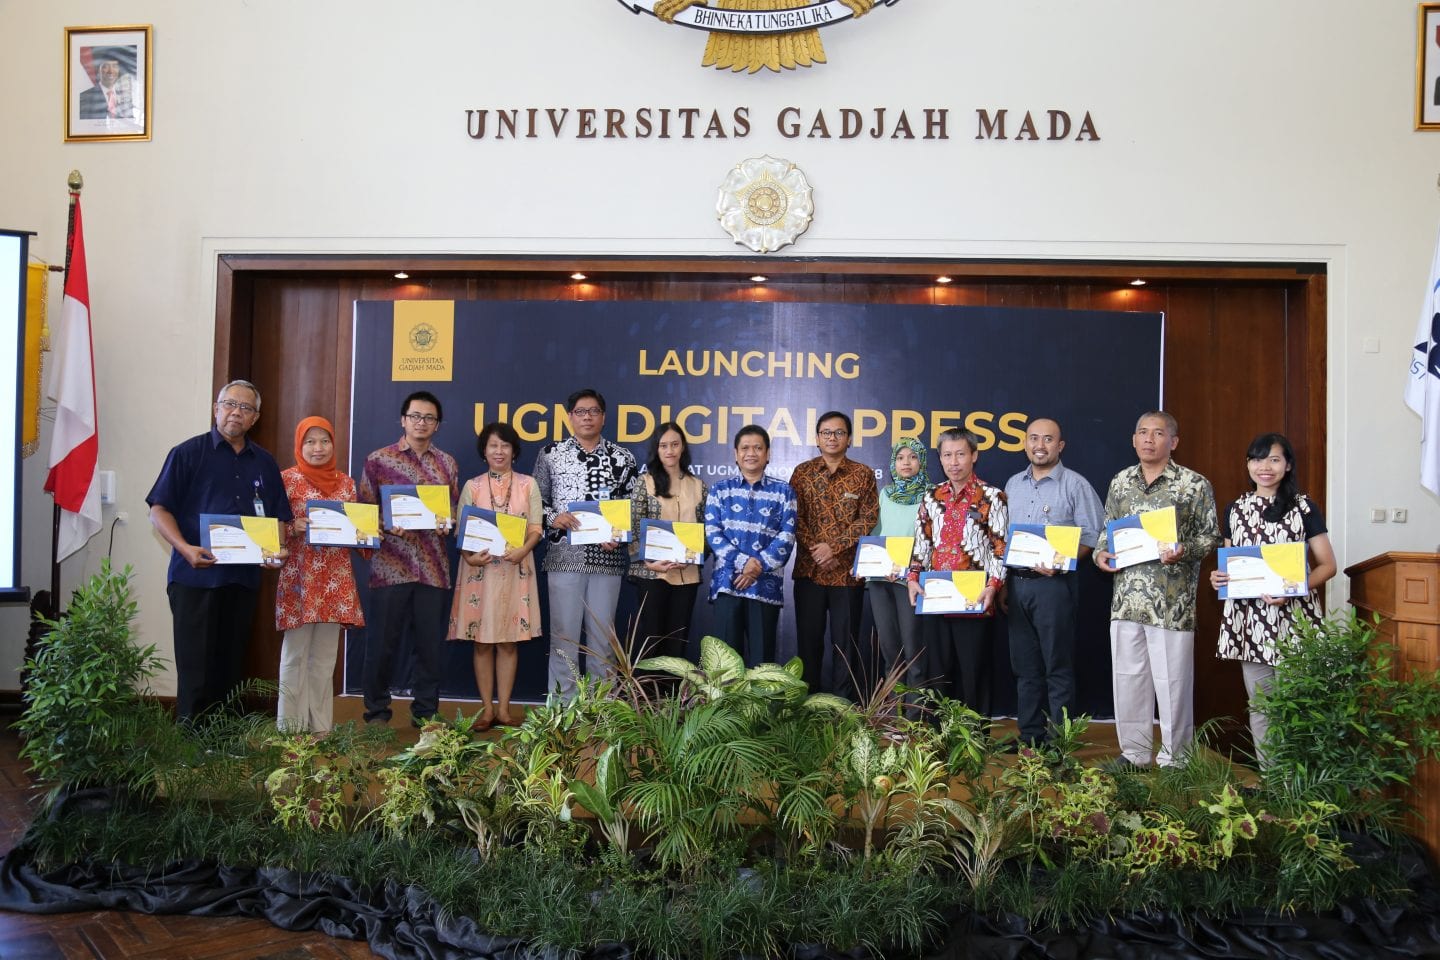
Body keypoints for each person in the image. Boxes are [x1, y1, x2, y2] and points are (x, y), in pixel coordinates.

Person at [146, 380, 291, 722]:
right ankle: (190, 743)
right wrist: (184, 548)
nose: (236, 413)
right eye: (229, 404)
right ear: (216, 409)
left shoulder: (265, 463)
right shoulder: (187, 453)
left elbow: (278, 518)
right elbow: (159, 510)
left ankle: (223, 742)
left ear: (255, 418)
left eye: (246, 408)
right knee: (195, 671)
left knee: (230, 669)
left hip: (242, 581)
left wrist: (278, 550)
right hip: (194, 578)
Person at [1094, 411, 1220, 768]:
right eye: (1143, 432)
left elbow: (1211, 536)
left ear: (1173, 442)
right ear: (1133, 439)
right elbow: (1107, 529)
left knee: (1172, 683)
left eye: (1158, 433)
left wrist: (1184, 549)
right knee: (1128, 680)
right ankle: (1134, 754)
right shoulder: (1121, 482)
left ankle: (1176, 758)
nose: (1149, 439)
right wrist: (1101, 554)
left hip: (1171, 603)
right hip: (1126, 600)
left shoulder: (1193, 484)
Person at [1209, 433, 1335, 768]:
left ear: (1288, 465)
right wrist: (1218, 578)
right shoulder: (1234, 509)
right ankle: (1272, 781)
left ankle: (1299, 783)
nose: (1264, 467)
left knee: (1296, 705)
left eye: (1274, 459)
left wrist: (1292, 589)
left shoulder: (1304, 507)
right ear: (1248, 464)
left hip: (1294, 620)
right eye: (1257, 459)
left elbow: (1328, 565)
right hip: (1249, 621)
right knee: (1261, 705)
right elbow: (1230, 563)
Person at [357, 390, 460, 728]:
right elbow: (364, 512)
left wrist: (447, 523)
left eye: (429, 418)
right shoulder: (379, 460)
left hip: (433, 568)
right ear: (403, 420)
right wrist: (385, 523)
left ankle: (426, 713)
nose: (421, 423)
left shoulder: (447, 464)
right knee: (381, 646)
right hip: (391, 567)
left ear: (437, 425)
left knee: (430, 648)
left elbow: (452, 511)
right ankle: (376, 712)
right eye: (415, 416)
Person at [1001, 417, 1105, 746]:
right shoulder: (1012, 485)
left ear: (1060, 446)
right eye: (1034, 438)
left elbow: (1093, 536)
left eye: (1048, 439)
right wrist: (1004, 584)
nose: (1040, 445)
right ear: (1025, 444)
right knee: (1025, 668)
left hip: (1054, 588)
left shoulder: (1075, 485)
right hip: (1017, 584)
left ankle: (1059, 742)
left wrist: (1061, 563)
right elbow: (1004, 538)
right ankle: (1030, 736)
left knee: (1057, 667)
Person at [534, 388, 639, 697]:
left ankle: (601, 709)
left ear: (603, 417)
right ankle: (562, 709)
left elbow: (633, 509)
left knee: (603, 641)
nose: (587, 417)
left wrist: (618, 535)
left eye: (594, 411)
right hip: (564, 556)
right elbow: (535, 501)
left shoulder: (623, 457)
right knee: (563, 638)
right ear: (570, 417)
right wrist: (554, 517)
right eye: (580, 411)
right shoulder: (550, 454)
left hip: (607, 560)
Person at [906, 428, 1008, 715]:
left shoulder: (993, 496)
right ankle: (939, 736)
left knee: (974, 675)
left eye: (960, 454)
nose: (954, 462)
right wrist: (912, 577)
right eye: (947, 455)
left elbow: (1000, 547)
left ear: (974, 456)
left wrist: (994, 585)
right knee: (937, 676)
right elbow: (922, 542)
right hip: (935, 599)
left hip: (975, 599)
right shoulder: (930, 496)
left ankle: (974, 735)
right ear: (940, 458)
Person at [449, 421, 543, 730]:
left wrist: (524, 549)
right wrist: (469, 556)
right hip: (481, 572)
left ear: (514, 451)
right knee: (481, 642)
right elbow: (462, 531)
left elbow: (536, 527)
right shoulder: (473, 486)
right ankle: (487, 710)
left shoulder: (528, 484)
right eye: (493, 445)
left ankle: (504, 710)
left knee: (509, 643)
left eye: (505, 445)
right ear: (484, 451)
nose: (499, 451)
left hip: (516, 569)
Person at [275, 416, 365, 734]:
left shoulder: (347, 484)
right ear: (299, 445)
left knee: (325, 658)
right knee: (294, 655)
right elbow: (271, 529)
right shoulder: (286, 480)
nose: (318, 448)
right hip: (299, 579)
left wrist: (367, 533)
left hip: (335, 579)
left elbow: (358, 529)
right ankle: (290, 727)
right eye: (310, 441)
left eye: (325, 441)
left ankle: (321, 727)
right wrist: (292, 527)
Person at [790, 411, 880, 696]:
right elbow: (794, 518)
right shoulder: (802, 472)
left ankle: (843, 708)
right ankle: (807, 705)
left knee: (846, 646)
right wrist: (818, 552)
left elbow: (868, 518)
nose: (832, 437)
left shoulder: (863, 474)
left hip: (846, 574)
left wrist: (834, 548)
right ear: (817, 438)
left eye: (839, 432)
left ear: (849, 439)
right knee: (808, 644)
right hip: (809, 571)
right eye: (826, 432)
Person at [704, 425, 798, 666]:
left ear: (768, 454)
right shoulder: (720, 490)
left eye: (758, 448)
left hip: (765, 586)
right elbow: (713, 533)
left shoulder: (784, 492)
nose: (751, 453)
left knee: (761, 664)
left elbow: (787, 535)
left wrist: (757, 567)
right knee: (725, 666)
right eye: (745, 448)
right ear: (736, 454)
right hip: (728, 584)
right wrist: (744, 563)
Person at [629, 423, 708, 662]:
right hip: (652, 572)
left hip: (687, 574)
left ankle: (673, 688)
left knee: (677, 642)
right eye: (663, 445)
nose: (670, 450)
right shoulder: (645, 482)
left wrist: (693, 556)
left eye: (674, 444)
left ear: (683, 447)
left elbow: (707, 530)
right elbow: (633, 526)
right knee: (650, 639)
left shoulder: (698, 486)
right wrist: (647, 561)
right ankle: (643, 688)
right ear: (657, 449)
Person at [867, 437, 931, 701]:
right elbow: (876, 532)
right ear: (893, 462)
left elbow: (932, 540)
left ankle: (916, 717)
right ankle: (892, 715)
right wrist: (871, 562)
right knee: (890, 650)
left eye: (913, 457)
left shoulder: (932, 495)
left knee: (914, 650)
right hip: (880, 579)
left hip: (912, 581)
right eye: (900, 458)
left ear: (922, 461)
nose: (906, 463)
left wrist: (908, 567)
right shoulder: (885, 494)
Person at [78, 50, 135, 120]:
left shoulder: (127, 96)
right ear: (99, 70)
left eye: (115, 66)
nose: (111, 71)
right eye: (106, 66)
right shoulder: (85, 96)